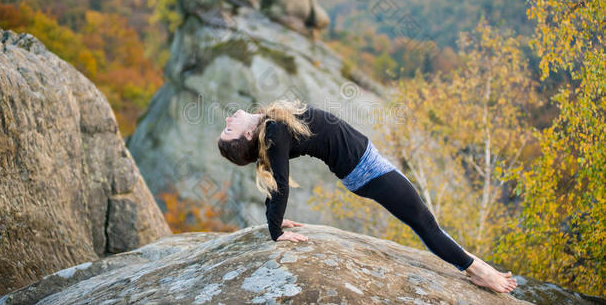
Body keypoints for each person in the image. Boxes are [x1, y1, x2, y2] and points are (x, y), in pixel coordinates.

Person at [217, 99, 518, 293]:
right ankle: (479, 271)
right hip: (367, 172)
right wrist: (275, 232)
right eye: (228, 130)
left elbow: (271, 177)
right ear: (246, 137)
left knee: (424, 220)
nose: (228, 121)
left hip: (369, 164)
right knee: (425, 223)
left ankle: (473, 264)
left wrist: (277, 222)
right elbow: (279, 183)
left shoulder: (271, 126)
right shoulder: (273, 132)